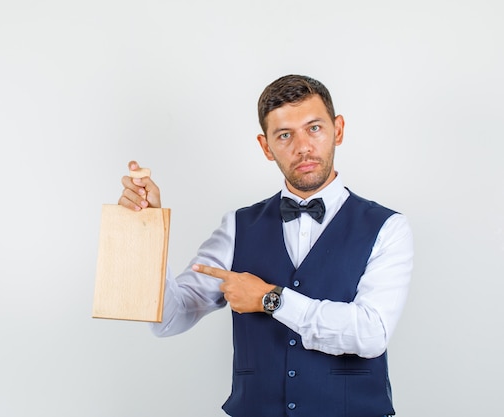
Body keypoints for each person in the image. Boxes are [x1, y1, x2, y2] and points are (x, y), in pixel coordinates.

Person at [118, 74, 413, 417]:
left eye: (314, 128)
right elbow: (168, 320)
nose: (302, 146)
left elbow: (371, 333)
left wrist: (269, 299)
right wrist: (148, 230)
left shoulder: (387, 227)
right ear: (265, 146)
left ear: (339, 129)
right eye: (285, 135)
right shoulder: (237, 226)